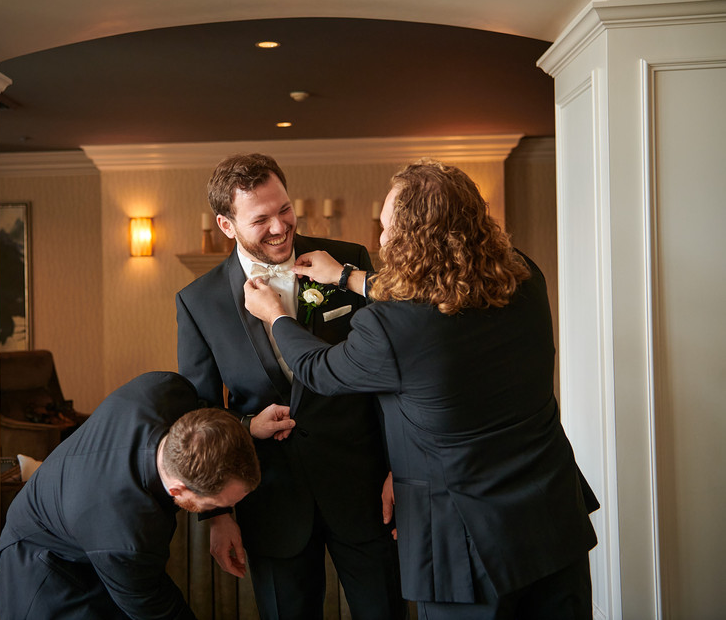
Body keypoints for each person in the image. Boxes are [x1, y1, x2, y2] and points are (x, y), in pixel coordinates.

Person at [244, 158, 600, 620]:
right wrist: (347, 277)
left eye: (388, 229)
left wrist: (276, 316)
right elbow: (438, 294)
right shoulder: (521, 275)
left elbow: (317, 369)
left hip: (467, 544)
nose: (381, 240)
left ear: (413, 241)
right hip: (553, 519)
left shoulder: (392, 327)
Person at [176, 153, 405, 619]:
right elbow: (201, 413)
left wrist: (399, 470)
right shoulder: (198, 301)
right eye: (260, 219)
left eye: (284, 209)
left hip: (363, 489)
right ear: (226, 225)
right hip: (272, 499)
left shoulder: (349, 262)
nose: (280, 227)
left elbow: (392, 378)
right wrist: (217, 514)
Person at [0, 370, 290, 619]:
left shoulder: (165, 390)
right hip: (44, 569)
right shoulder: (126, 538)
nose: (233, 508)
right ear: (178, 490)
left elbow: (208, 422)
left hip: (92, 529)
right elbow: (161, 612)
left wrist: (219, 514)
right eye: (223, 503)